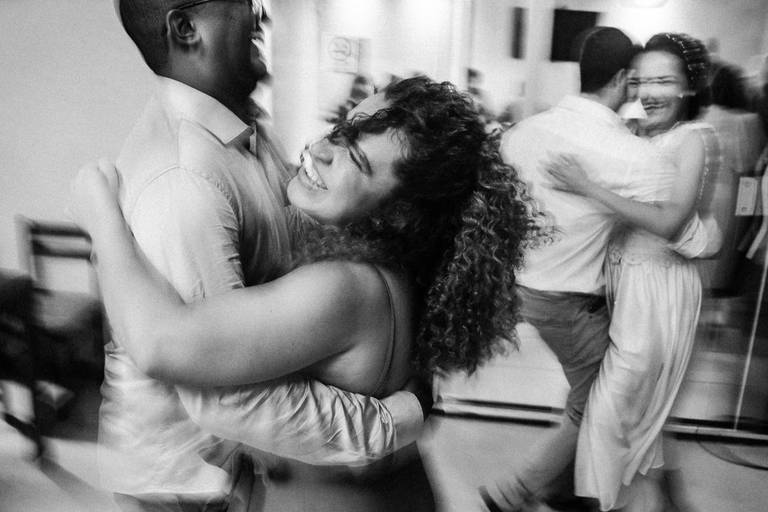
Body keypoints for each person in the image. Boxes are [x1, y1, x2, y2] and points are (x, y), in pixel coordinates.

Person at [72, 76, 537, 511]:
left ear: (399, 214)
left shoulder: (343, 287)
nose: (322, 150)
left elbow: (163, 345)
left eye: (356, 160)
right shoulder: (391, 269)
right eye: (344, 129)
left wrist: (101, 216)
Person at [102, 2, 430, 511]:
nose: (260, 14)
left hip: (247, 470)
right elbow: (222, 394)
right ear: (186, 28)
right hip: (186, 485)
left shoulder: (246, 135)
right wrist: (399, 417)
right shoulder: (184, 179)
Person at [479, 27, 680, 512]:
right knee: (598, 401)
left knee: (597, 387)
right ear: (623, 79)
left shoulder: (525, 133)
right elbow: (672, 222)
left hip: (526, 286)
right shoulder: (625, 152)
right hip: (568, 300)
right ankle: (514, 493)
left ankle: (566, 486)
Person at [545, 33, 720, 510]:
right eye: (641, 81)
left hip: (658, 289)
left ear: (688, 86)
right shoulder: (632, 133)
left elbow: (669, 223)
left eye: (664, 80)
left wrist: (588, 187)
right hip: (621, 283)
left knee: (611, 409)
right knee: (635, 411)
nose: (649, 92)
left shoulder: (693, 140)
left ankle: (596, 499)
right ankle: (652, 498)